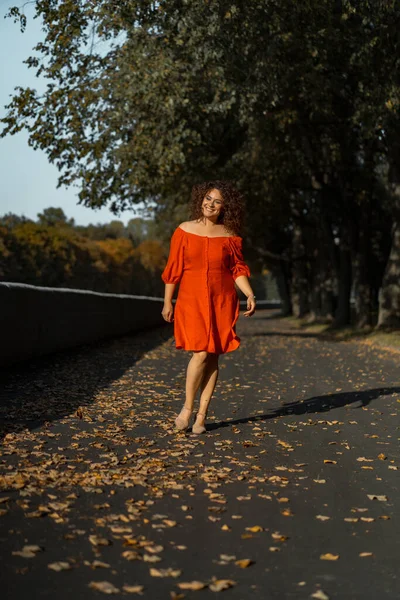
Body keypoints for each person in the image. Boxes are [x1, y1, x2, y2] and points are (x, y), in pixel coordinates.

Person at [161, 180, 256, 434]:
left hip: (221, 299)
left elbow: (237, 270)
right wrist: (167, 300)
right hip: (191, 300)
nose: (210, 204)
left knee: (213, 355)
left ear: (225, 208)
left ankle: (202, 417)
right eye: (207, 198)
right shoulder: (184, 230)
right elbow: (173, 269)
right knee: (201, 352)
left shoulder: (230, 236)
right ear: (200, 199)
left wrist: (249, 293)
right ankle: (187, 409)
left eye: (217, 201)